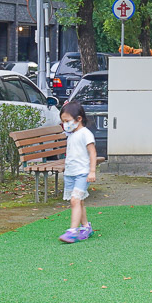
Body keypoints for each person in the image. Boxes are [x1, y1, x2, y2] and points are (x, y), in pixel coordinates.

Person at [58, 102, 97, 243]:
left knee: (75, 200)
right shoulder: (71, 134)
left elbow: (92, 153)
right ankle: (86, 226)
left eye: (67, 121)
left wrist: (92, 171)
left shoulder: (85, 134)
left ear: (79, 119)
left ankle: (72, 231)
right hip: (70, 173)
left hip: (82, 173)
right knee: (77, 202)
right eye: (63, 121)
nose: (65, 124)